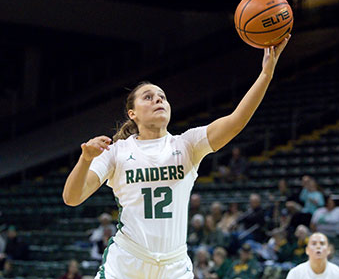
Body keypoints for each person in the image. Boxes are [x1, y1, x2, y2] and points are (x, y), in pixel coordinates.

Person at [62, 36, 290, 279]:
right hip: (128, 261)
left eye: (162, 96)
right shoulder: (116, 151)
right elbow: (72, 198)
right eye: (148, 97)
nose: (158, 99)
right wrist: (85, 159)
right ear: (133, 113)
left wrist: (266, 75)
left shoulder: (187, 144)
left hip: (174, 266)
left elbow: (235, 122)